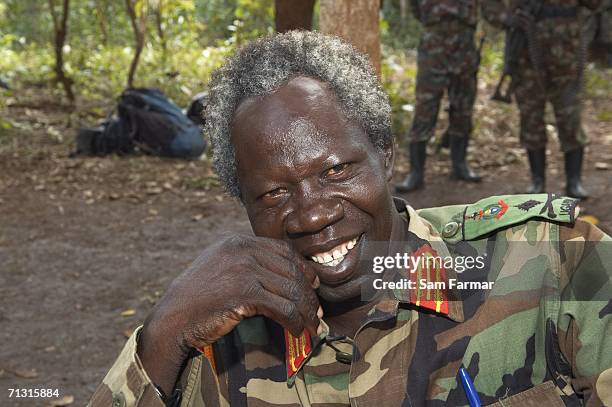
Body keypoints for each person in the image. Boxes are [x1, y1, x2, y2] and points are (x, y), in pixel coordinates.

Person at [89, 32, 612, 407]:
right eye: (273, 194)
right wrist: (162, 334)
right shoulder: (218, 349)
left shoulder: (546, 261)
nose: (312, 212)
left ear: (385, 155)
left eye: (336, 169)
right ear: (243, 208)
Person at [484, 0, 602, 199]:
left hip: (567, 56)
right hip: (526, 56)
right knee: (531, 119)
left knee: (570, 118)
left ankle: (574, 182)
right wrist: (506, 19)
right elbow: (489, 6)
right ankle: (537, 181)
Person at [395, 0, 483, 193]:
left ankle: (460, 165)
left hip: (465, 44)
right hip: (434, 43)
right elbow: (416, 8)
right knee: (425, 107)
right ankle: (416, 173)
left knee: (463, 106)